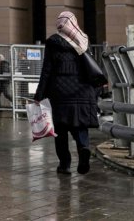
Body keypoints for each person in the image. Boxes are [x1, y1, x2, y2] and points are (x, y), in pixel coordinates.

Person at [34, 11, 100, 175]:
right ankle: (83, 148)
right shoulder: (83, 39)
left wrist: (39, 95)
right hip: (83, 91)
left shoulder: (53, 42)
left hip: (60, 92)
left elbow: (46, 70)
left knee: (61, 130)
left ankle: (65, 165)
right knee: (80, 125)